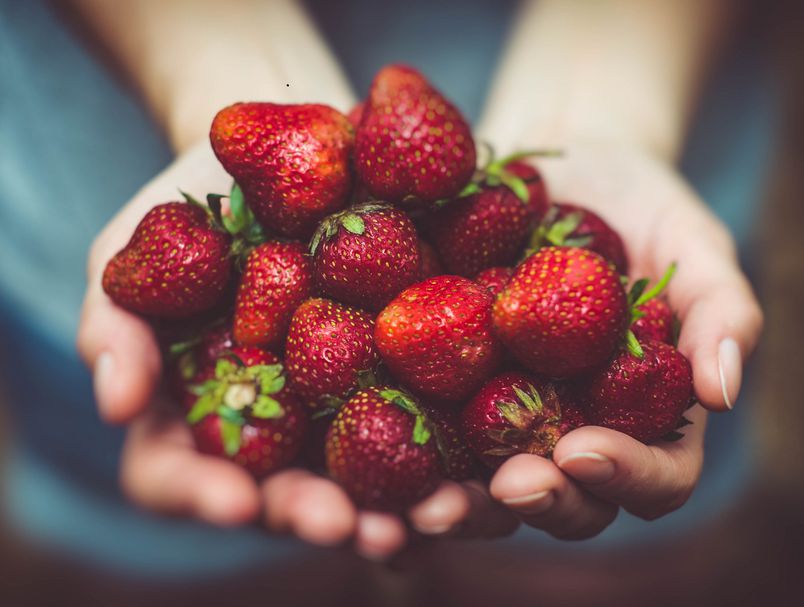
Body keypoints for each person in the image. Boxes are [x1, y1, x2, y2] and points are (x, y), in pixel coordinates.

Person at [2, 0, 764, 574]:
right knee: (196, 572)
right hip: (89, 166)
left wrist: (605, 114)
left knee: (590, 575)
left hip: (658, 86)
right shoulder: (363, 279)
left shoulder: (495, 293)